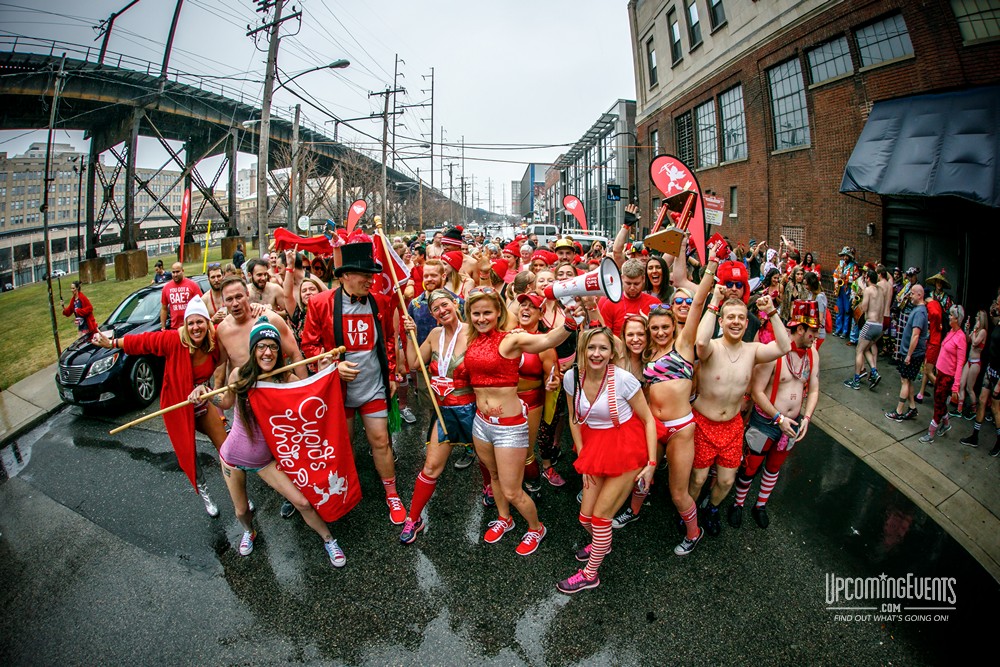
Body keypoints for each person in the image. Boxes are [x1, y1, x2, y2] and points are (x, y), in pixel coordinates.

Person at [191, 318, 346, 566]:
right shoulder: (240, 375)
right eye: (261, 346)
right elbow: (226, 402)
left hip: (264, 460)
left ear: (279, 350)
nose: (267, 352)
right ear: (253, 350)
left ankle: (329, 540)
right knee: (242, 512)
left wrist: (325, 370)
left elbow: (313, 394)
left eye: (273, 346)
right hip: (232, 456)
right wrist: (205, 395)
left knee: (303, 502)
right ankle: (248, 532)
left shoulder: (286, 380)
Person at [464, 286, 579, 555]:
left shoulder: (511, 340)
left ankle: (535, 527)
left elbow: (547, 341)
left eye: (487, 313)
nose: (482, 318)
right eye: (476, 313)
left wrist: (571, 323)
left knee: (513, 489)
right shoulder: (469, 339)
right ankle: (505, 519)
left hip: (509, 427)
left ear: (498, 313)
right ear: (469, 315)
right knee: (493, 475)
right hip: (481, 423)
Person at [617, 250, 718, 550]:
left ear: (674, 326)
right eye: (655, 328)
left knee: (677, 492)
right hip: (653, 426)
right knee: (641, 473)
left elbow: (697, 302)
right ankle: (633, 511)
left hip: (681, 428)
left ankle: (693, 532)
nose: (660, 332)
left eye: (665, 327)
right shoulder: (647, 353)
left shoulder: (685, 345)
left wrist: (710, 266)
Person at [300, 241, 407, 525]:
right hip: (338, 391)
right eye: (364, 275)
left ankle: (392, 494)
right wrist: (333, 366)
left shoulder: (380, 302)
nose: (370, 280)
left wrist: (392, 373)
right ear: (344, 275)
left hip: (373, 387)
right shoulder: (320, 303)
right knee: (342, 445)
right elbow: (309, 346)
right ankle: (341, 493)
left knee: (381, 441)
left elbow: (386, 341)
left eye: (372, 275)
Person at [93, 296, 224, 516]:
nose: (195, 327)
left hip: (201, 402)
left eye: (200, 321)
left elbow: (238, 328)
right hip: (176, 407)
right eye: (190, 322)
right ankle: (205, 494)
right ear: (185, 325)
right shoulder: (174, 340)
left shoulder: (215, 339)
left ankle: (238, 492)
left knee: (227, 449)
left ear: (207, 322)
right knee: (188, 455)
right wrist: (113, 343)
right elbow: (143, 341)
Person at [556, 327, 657, 593]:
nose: (596, 354)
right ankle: (603, 543)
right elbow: (573, 418)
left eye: (603, 348)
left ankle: (591, 574)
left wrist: (651, 464)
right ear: (582, 350)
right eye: (591, 347)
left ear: (612, 353)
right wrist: (581, 452)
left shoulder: (624, 380)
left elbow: (648, 420)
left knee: (601, 518)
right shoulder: (571, 378)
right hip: (595, 446)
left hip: (626, 449)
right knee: (585, 519)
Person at [691, 290, 790, 538]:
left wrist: (771, 311)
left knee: (725, 481)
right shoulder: (710, 348)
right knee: (698, 478)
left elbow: (784, 347)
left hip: (733, 426)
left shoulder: (753, 350)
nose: (735, 321)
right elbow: (700, 343)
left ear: (747, 323)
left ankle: (712, 509)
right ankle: (688, 513)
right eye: (730, 317)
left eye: (741, 318)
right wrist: (714, 301)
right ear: (721, 321)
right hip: (703, 423)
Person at [730, 300, 820, 529]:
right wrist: (778, 418)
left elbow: (815, 387)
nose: (816, 337)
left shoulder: (813, 354)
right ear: (800, 329)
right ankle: (738, 504)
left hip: (793, 424)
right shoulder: (774, 352)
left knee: (774, 468)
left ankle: (760, 506)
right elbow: (756, 391)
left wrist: (807, 418)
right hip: (766, 421)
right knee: (750, 466)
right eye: (813, 331)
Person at [397, 290, 477, 543]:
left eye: (445, 305)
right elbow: (413, 364)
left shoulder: (474, 331)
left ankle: (488, 490)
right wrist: (409, 336)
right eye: (436, 309)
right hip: (443, 412)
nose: (442, 311)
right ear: (431, 315)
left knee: (489, 465)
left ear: (455, 304)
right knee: (431, 467)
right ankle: (414, 518)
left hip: (472, 410)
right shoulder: (434, 335)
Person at [513, 293, 560, 494]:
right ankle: (508, 486)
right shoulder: (507, 335)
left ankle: (533, 483)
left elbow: (553, 377)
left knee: (525, 450)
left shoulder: (544, 344)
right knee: (503, 449)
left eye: (531, 307)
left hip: (531, 402)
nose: (525, 309)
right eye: (522, 305)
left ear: (541, 314)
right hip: (506, 400)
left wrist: (553, 382)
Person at [920, 305, 966, 443]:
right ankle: (946, 424)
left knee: (938, 404)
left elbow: (960, 364)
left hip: (948, 377)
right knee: (938, 400)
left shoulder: (961, 338)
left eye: (952, 315)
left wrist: (956, 386)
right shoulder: (951, 332)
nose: (949, 317)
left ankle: (931, 433)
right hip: (941, 373)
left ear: (957, 319)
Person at [960, 300, 1000, 454]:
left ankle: (999, 441)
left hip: (998, 374)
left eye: (998, 302)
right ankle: (975, 436)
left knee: (996, 409)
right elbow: (991, 315)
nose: (996, 305)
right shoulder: (997, 322)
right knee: (983, 401)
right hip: (991, 370)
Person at [886, 285, 929, 423]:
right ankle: (912, 408)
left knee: (905, 380)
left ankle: (898, 411)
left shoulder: (920, 313)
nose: (910, 295)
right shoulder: (918, 310)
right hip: (910, 352)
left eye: (912, 294)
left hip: (913, 354)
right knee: (906, 379)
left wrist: (909, 355)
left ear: (919, 295)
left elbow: (915, 336)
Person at [844, 269, 886, 390]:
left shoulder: (868, 290)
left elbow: (864, 307)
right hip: (879, 325)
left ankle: (856, 380)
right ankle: (874, 372)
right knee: (866, 349)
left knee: (859, 350)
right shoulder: (881, 290)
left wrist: (861, 299)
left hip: (870, 324)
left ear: (868, 279)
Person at [598, 259, 661, 336]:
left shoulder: (655, 304)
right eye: (628, 283)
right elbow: (605, 335)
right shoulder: (610, 304)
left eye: (636, 284)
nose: (632, 288)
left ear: (643, 279)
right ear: (622, 278)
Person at [958, 310, 988, 419]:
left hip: (976, 363)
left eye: (977, 317)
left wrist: (974, 330)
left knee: (969, 388)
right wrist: (967, 329)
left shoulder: (983, 331)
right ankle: (959, 409)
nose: (976, 319)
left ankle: (974, 409)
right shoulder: (976, 330)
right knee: (962, 384)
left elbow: (975, 342)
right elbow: (968, 340)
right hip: (969, 360)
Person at [160, 262, 202, 330]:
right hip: (175, 327)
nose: (175, 274)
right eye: (173, 272)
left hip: (190, 326)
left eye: (177, 272)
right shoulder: (166, 288)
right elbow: (164, 309)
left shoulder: (192, 285)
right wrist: (163, 326)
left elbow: (201, 304)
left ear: (182, 271)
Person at [832, 247, 859, 338]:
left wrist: (846, 278)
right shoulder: (840, 265)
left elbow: (856, 279)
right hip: (840, 290)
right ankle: (838, 329)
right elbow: (835, 275)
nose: (845, 258)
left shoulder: (853, 266)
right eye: (844, 256)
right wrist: (837, 283)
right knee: (839, 310)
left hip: (848, 291)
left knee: (847, 311)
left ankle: (845, 331)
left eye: (846, 256)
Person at [806, 272, 827, 350]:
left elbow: (820, 318)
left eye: (807, 284)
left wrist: (816, 334)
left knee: (813, 354)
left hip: (817, 332)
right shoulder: (811, 294)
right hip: (812, 330)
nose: (806, 287)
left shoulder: (819, 297)